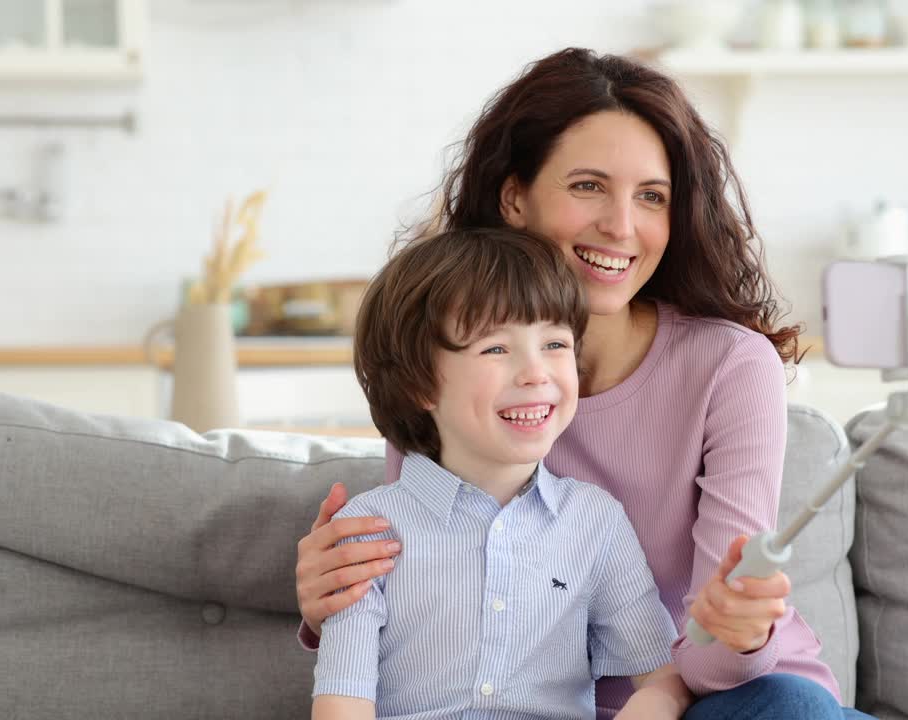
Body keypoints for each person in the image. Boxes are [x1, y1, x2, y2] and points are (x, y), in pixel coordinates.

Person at [296, 47, 875, 719]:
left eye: (651, 197)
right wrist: (331, 597)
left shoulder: (729, 366)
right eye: (587, 186)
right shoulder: (446, 363)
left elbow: (712, 665)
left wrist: (736, 629)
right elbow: (428, 577)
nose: (622, 226)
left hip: (729, 697)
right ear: (514, 196)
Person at [313, 226, 693, 720]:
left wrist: (653, 707)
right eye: (496, 349)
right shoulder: (370, 531)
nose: (537, 373)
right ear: (418, 383)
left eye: (555, 344)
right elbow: (342, 701)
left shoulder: (595, 522)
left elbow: (662, 676)